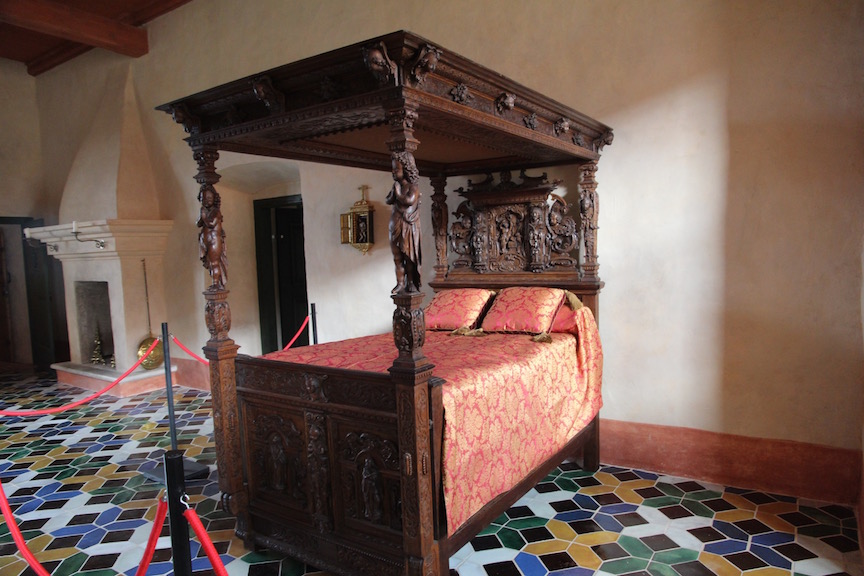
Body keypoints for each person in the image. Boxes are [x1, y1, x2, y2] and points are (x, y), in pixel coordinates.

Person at [386, 151, 422, 294]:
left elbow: (409, 200)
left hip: (408, 225)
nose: (393, 172)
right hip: (395, 224)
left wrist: (398, 193)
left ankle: (411, 282)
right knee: (397, 257)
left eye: (396, 169)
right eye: (393, 169)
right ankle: (400, 283)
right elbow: (388, 200)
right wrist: (394, 192)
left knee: (408, 257)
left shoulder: (413, 187)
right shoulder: (396, 186)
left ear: (406, 169)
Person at [197, 185, 227, 289]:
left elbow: (211, 223)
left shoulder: (216, 211)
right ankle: (215, 282)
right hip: (205, 241)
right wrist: (201, 215)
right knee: (210, 263)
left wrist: (204, 216)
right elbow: (198, 223)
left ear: (214, 199)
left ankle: (216, 283)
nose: (206, 201)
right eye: (203, 198)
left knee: (214, 263)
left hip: (214, 241)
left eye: (209, 198)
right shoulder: (204, 210)